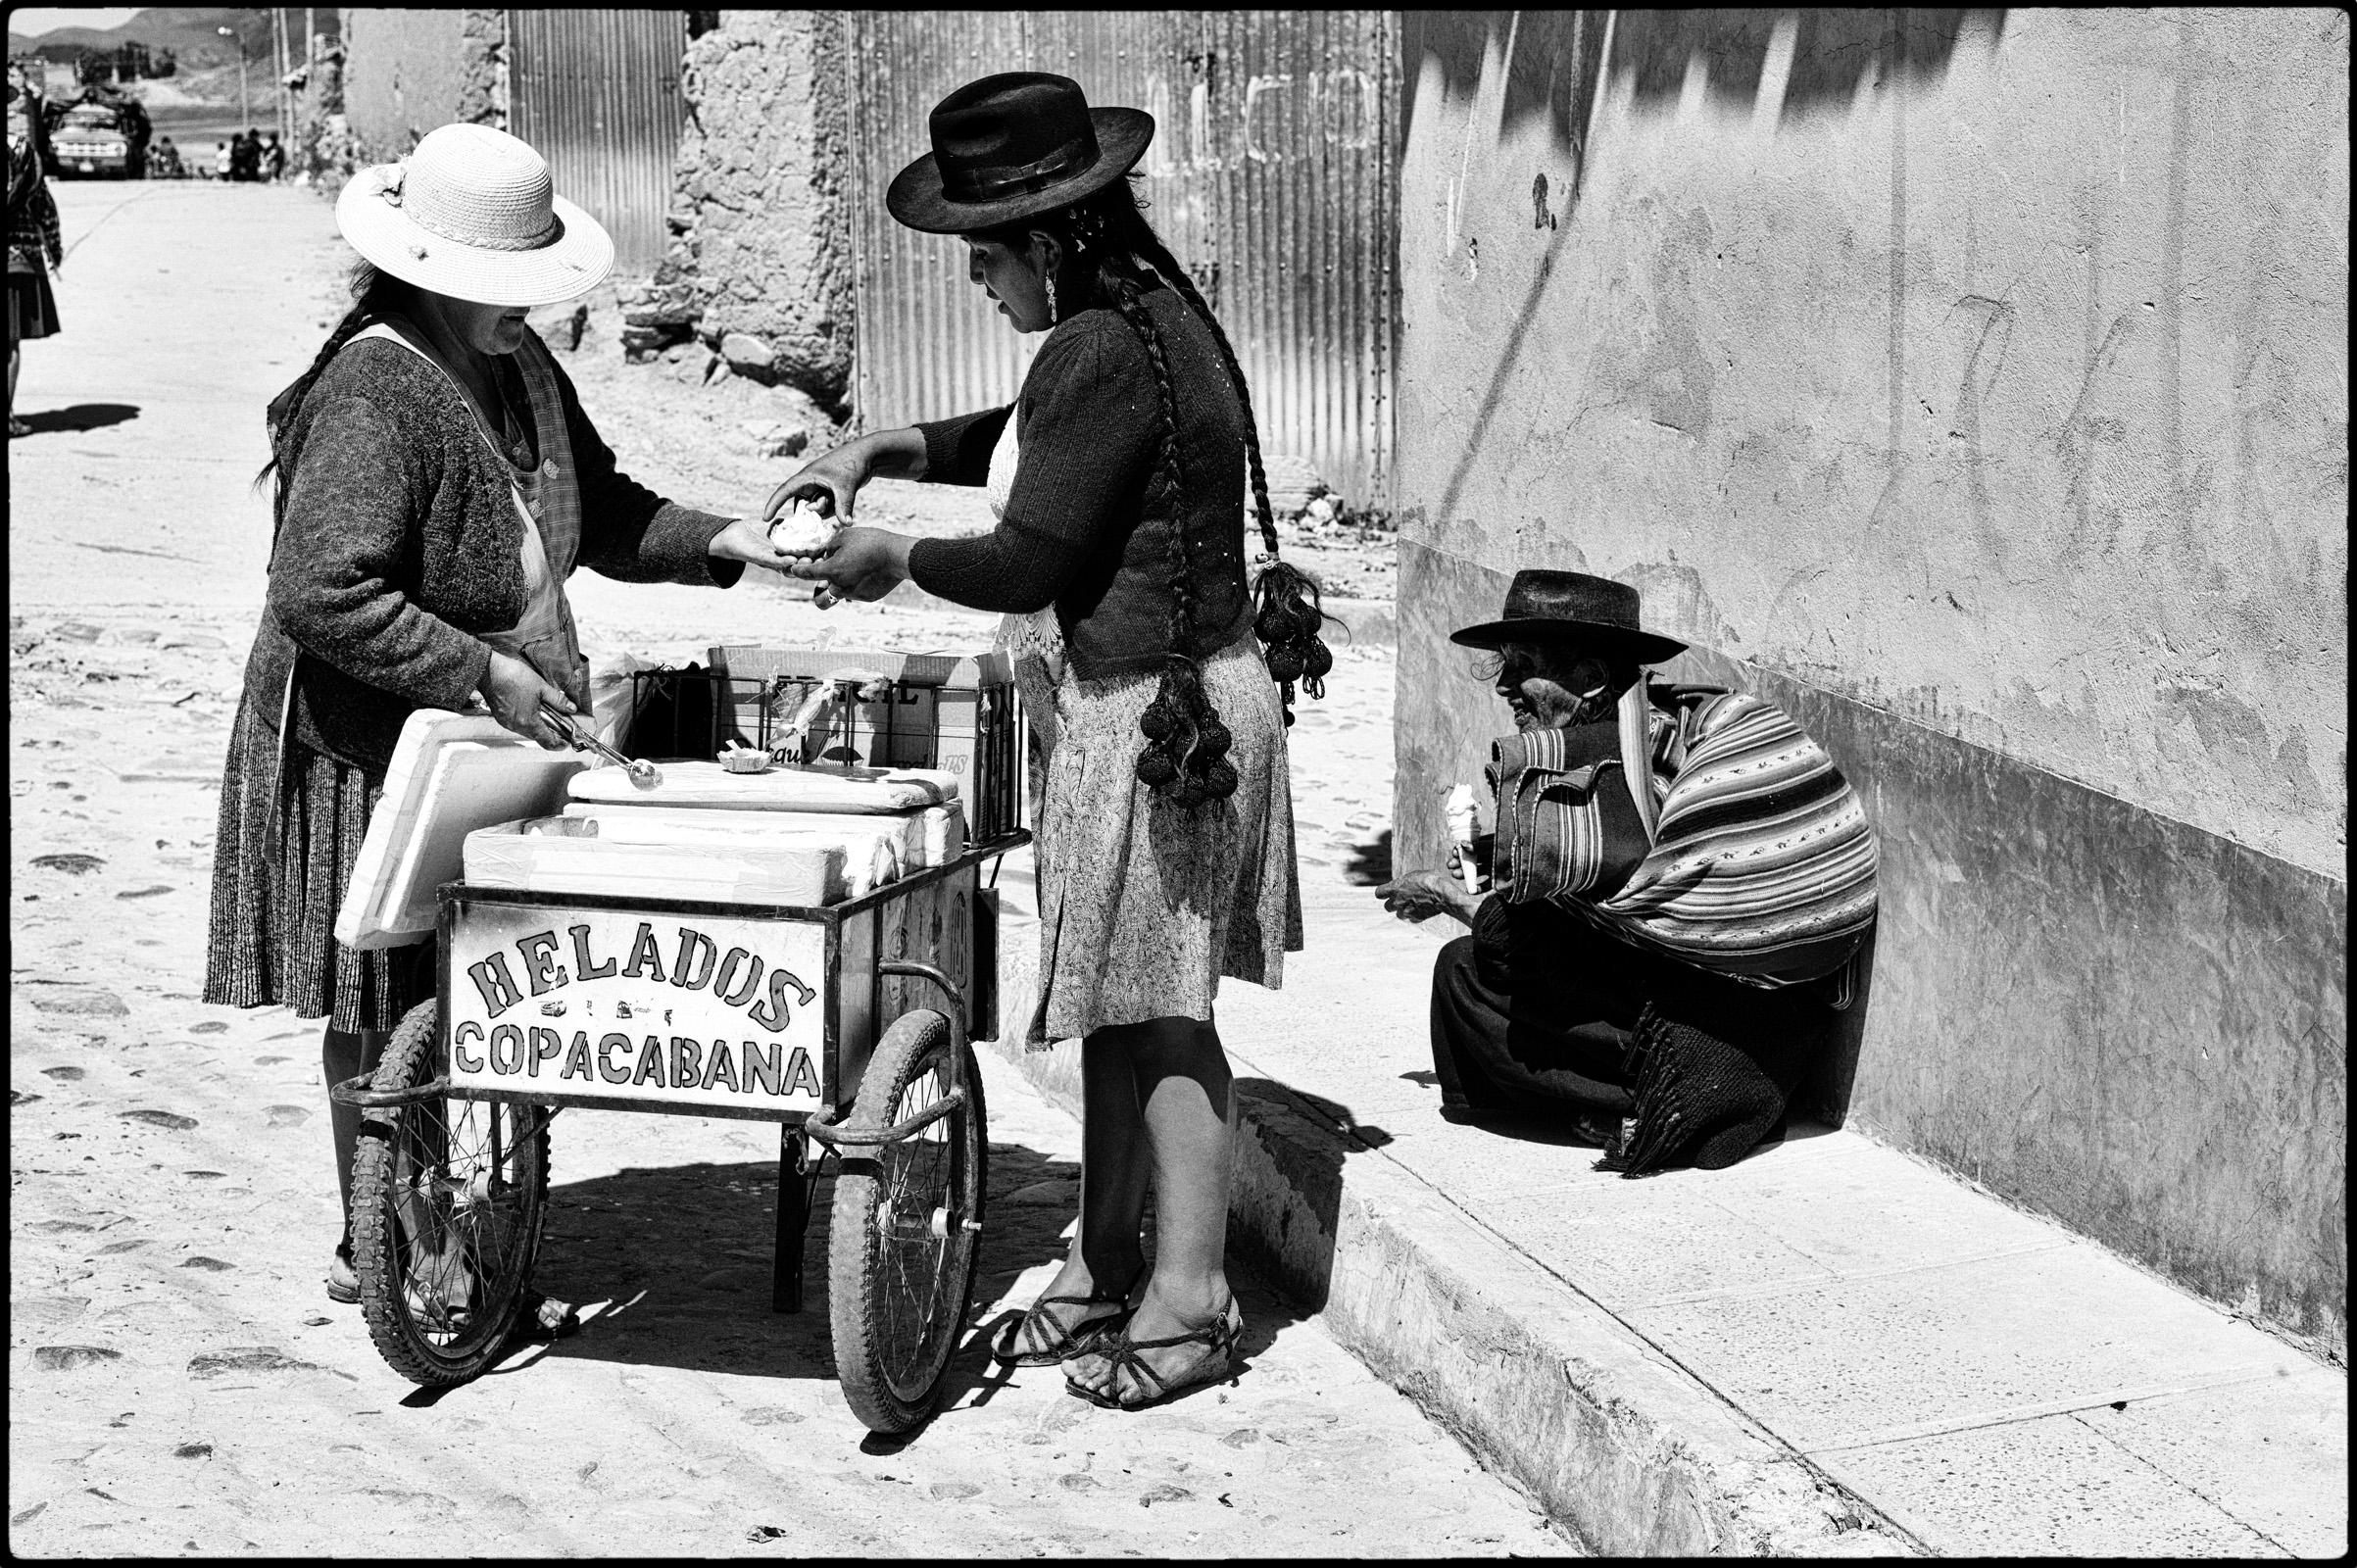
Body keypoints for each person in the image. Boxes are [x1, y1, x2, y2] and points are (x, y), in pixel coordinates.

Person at [777, 73, 1332, 1410]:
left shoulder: (1099, 344)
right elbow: (1031, 443)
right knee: (1115, 1010)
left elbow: (1032, 542)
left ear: (1045, 241)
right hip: (1153, 699)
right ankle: (1102, 1262)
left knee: (1164, 1015)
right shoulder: (1131, 318)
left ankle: (1193, 1304)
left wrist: (887, 555)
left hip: (1164, 722)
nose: (975, 278)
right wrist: (881, 448)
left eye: (982, 254)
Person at [201, 122, 800, 1308]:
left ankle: (425, 1208)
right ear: (424, 274)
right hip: (367, 745)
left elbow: (606, 508)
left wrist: (726, 541)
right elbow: (323, 591)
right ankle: (385, 1236)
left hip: (474, 733)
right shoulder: (378, 389)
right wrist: (483, 672)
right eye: (494, 289)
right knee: (382, 997)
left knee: (470, 983)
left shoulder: (515, 366)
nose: (518, 306)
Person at [1377, 570, 1880, 1174]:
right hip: (1775, 1019)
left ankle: (1664, 1104)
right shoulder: (1666, 725)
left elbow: (1536, 939)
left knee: (1465, 970)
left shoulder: (1601, 770)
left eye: (1525, 663)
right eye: (1505, 664)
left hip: (1716, 1032)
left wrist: (1447, 894)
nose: (1506, 684)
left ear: (1589, 679)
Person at [8, 59, 63, 439]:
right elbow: (43, 203)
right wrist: (54, 249)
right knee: (8, 344)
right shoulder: (22, 150)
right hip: (17, 257)